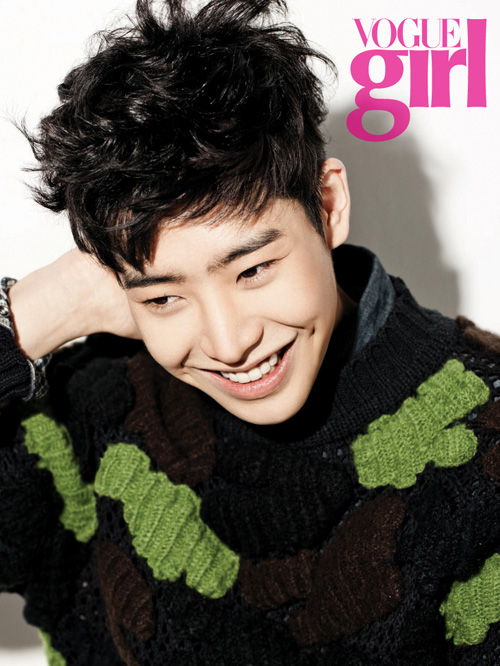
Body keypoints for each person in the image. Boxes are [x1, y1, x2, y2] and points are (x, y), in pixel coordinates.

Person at [1, 0, 499, 664]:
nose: (229, 342)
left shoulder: (486, 446)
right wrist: (37, 311)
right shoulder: (97, 399)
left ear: (327, 205)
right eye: (165, 296)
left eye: (254, 269)